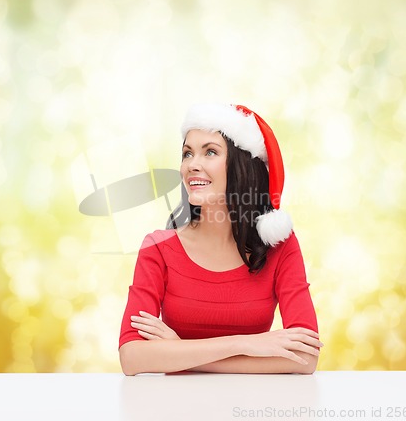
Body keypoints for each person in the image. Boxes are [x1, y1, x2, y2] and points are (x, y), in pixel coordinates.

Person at [118, 103, 323, 376]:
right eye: (187, 153)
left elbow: (305, 357)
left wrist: (181, 352)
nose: (192, 165)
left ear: (242, 166)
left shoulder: (279, 247)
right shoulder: (158, 248)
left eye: (210, 152)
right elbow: (132, 357)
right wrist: (245, 344)